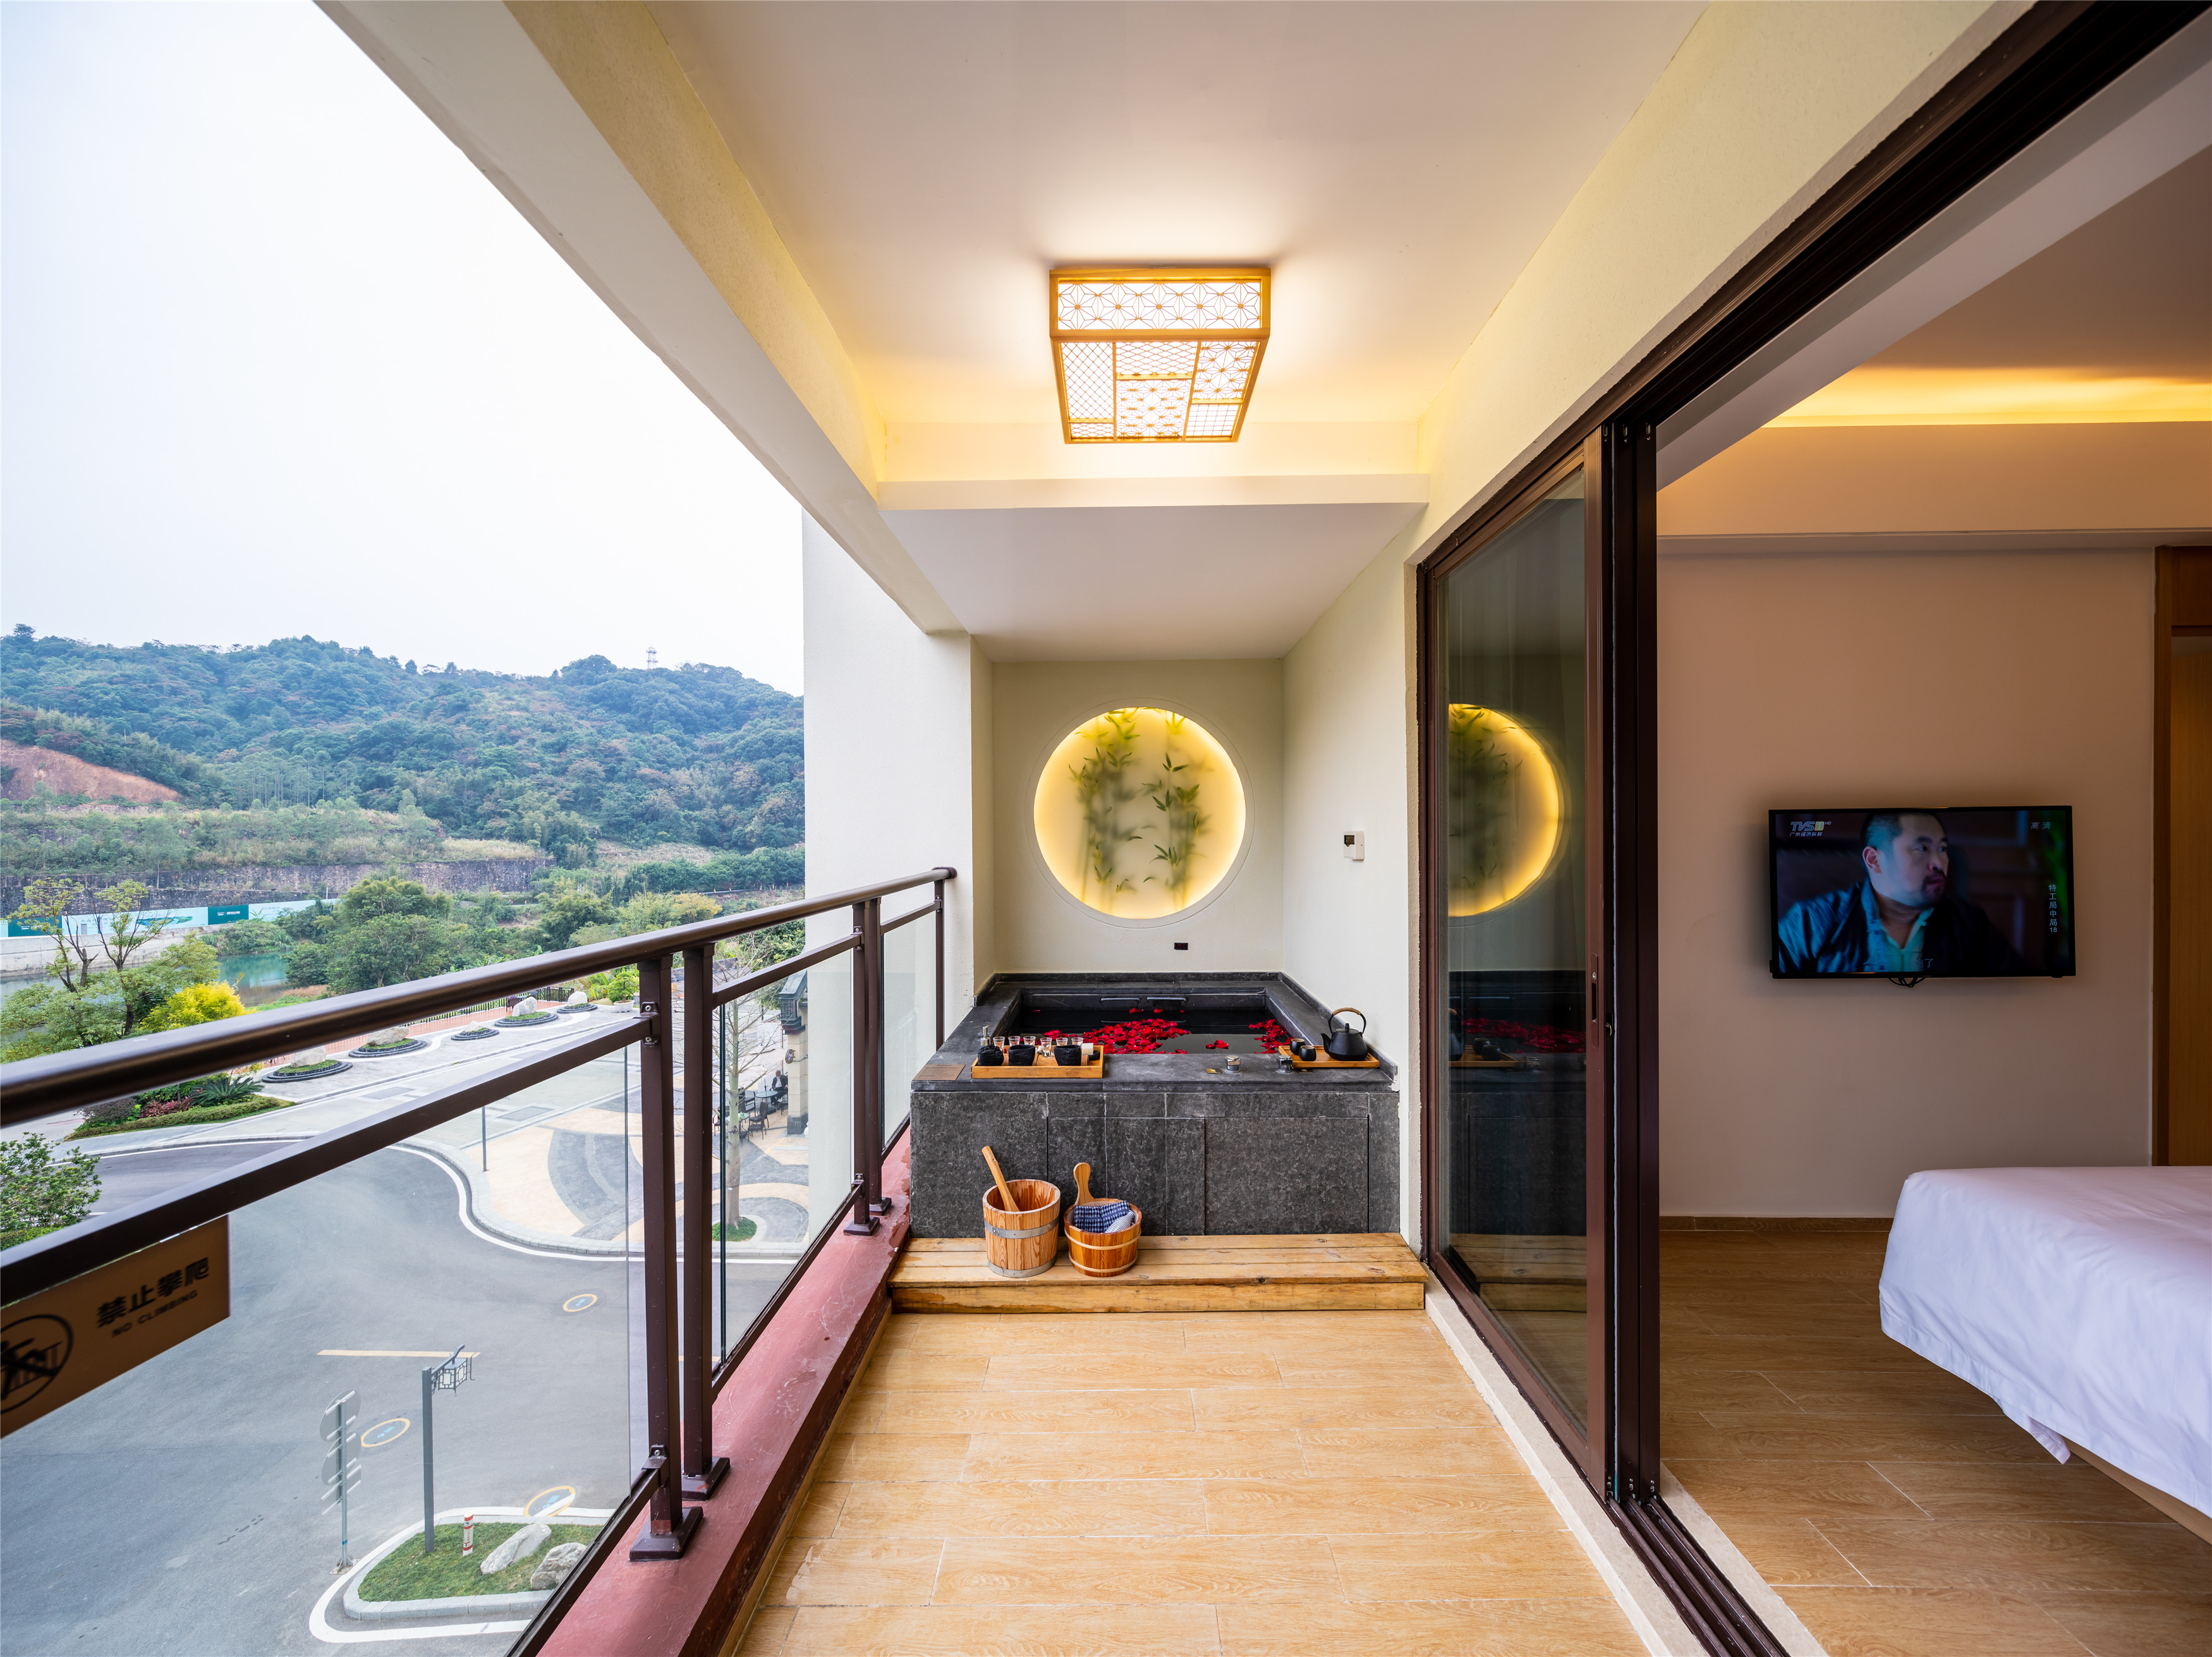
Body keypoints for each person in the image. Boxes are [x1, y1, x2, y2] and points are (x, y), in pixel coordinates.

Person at [1776, 810, 2031, 975]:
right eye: (1922, 849)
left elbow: (2015, 988)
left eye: (1942, 849)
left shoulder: (1969, 922)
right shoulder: (1812, 921)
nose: (1939, 863)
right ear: (1874, 860)